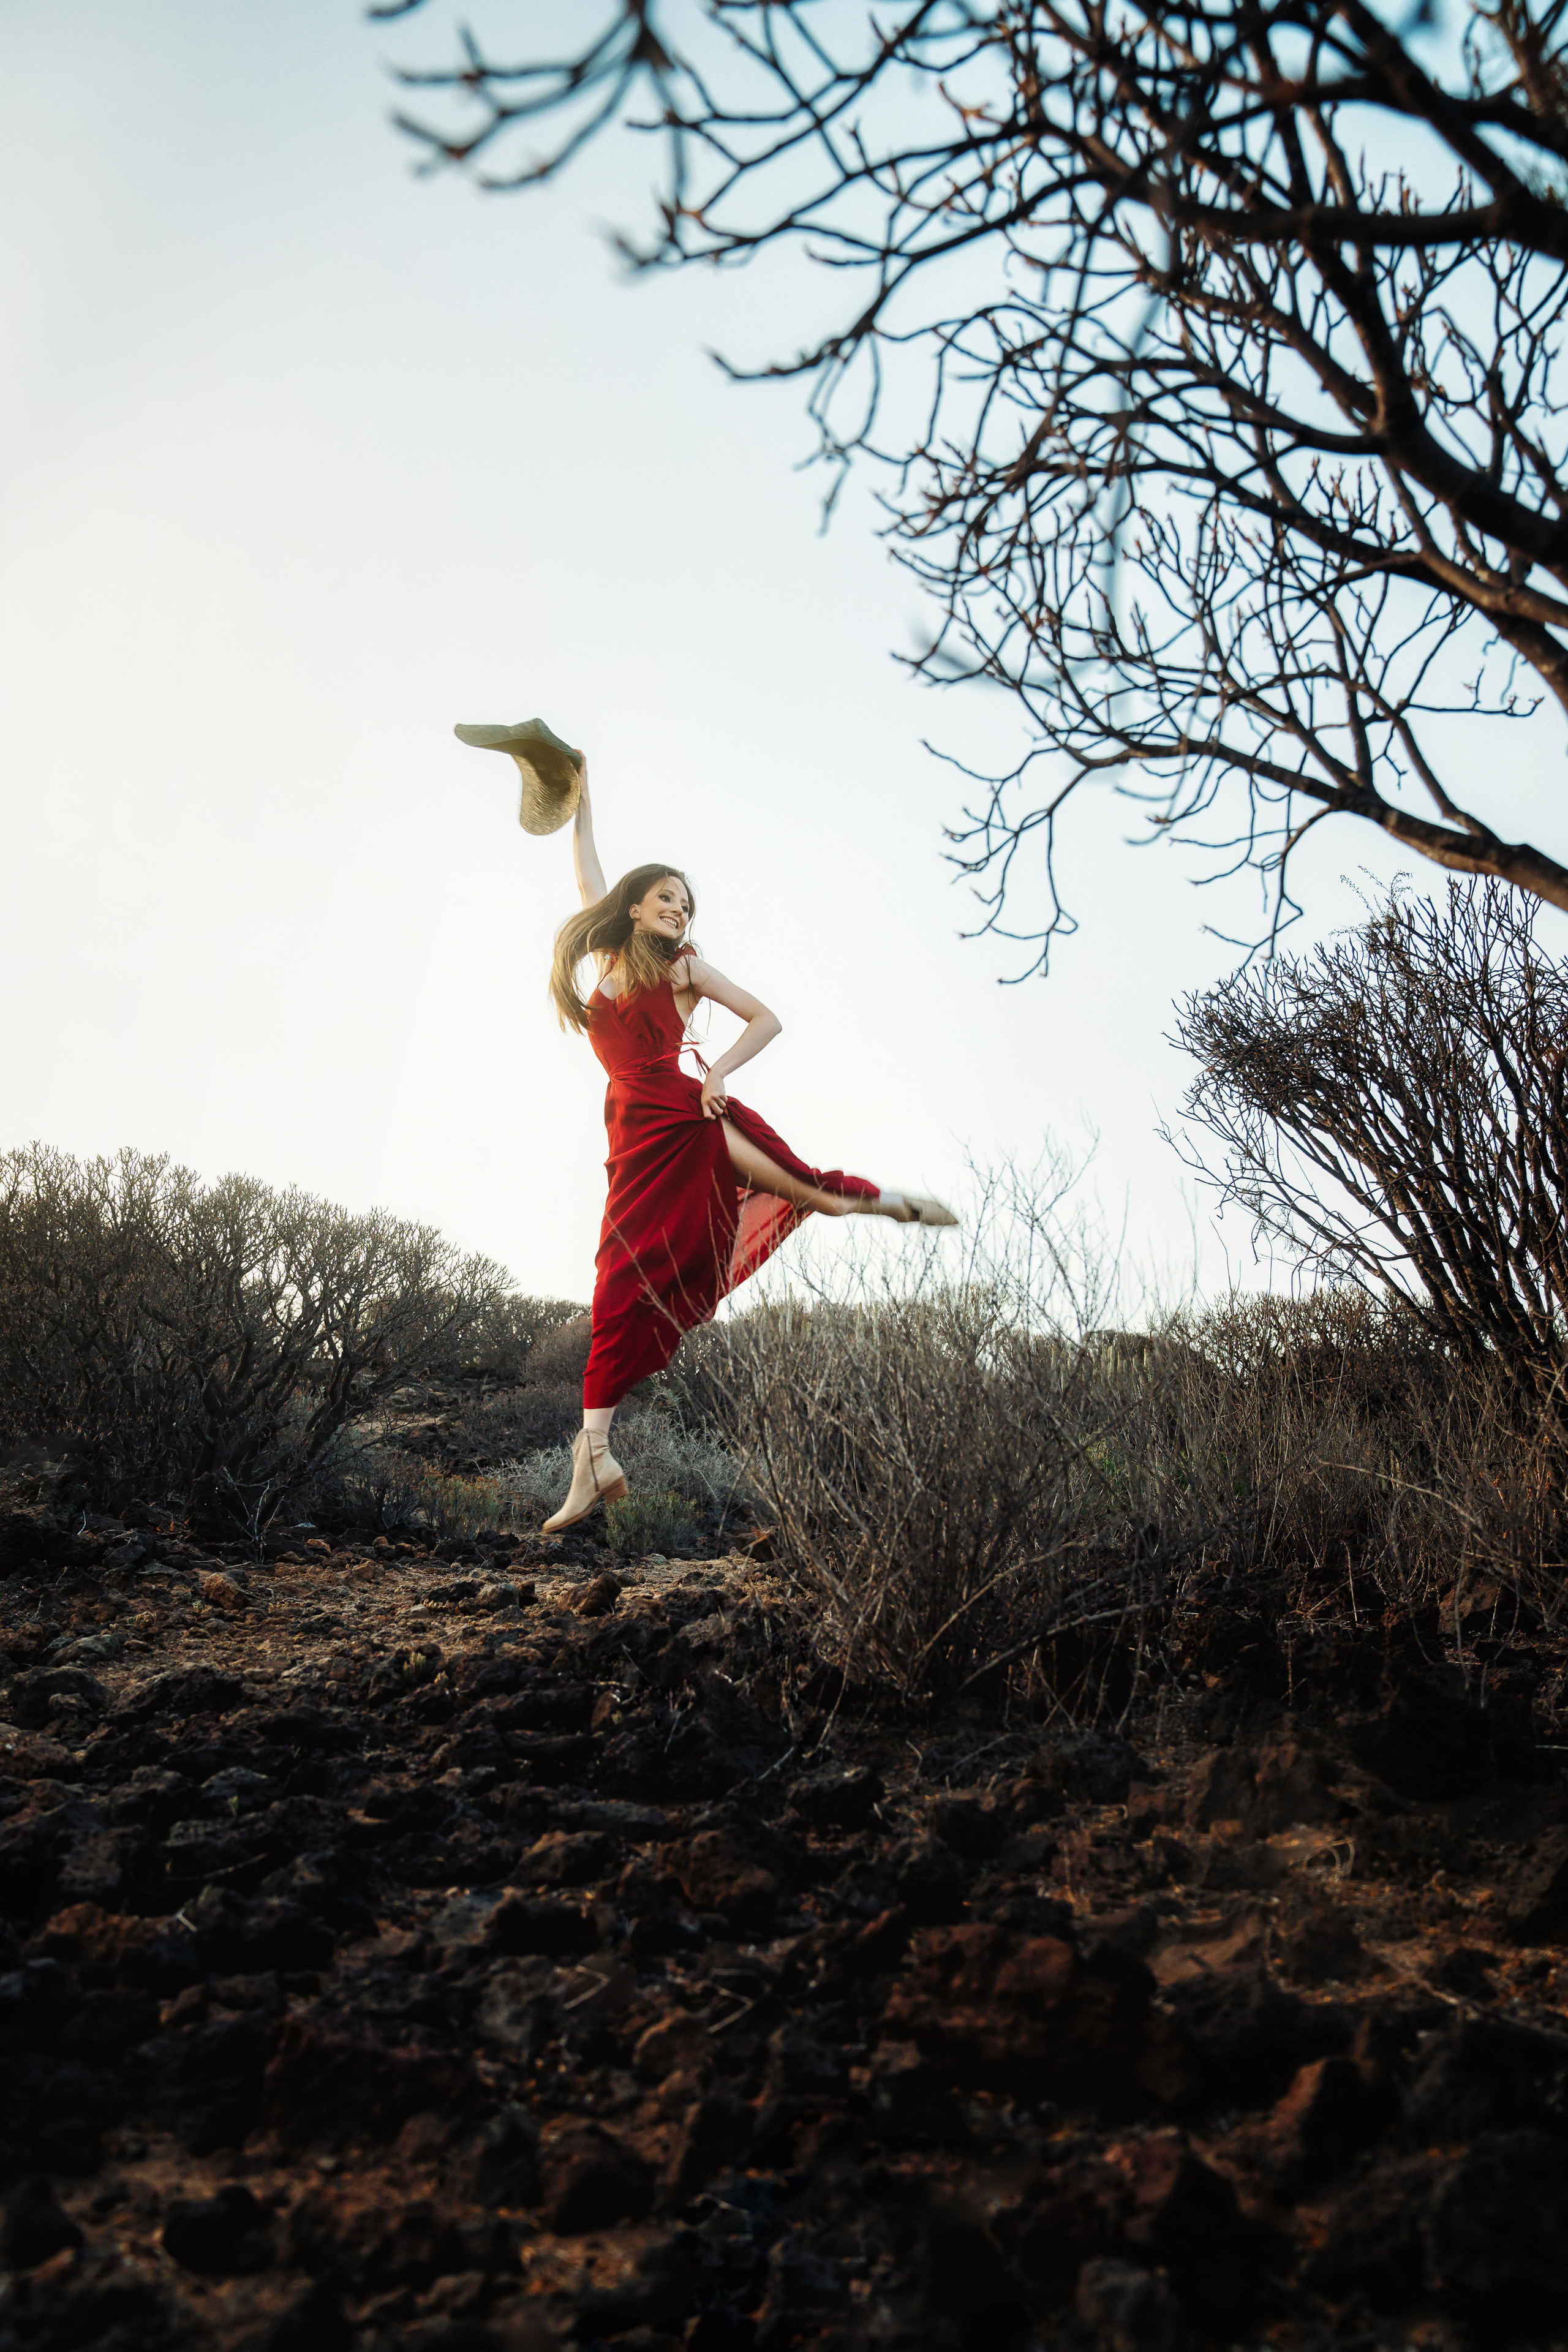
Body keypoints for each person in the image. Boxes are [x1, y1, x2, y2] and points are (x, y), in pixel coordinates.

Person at [541, 758, 957, 1532]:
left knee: (810, 1192)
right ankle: (592, 1456)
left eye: (686, 902)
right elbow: (585, 874)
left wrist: (718, 1075)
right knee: (614, 1285)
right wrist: (584, 796)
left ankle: (891, 1202)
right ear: (633, 908)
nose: (678, 908)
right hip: (630, 1133)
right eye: (665, 896)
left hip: (684, 1114)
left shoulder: (687, 968)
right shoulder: (610, 962)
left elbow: (765, 1018)